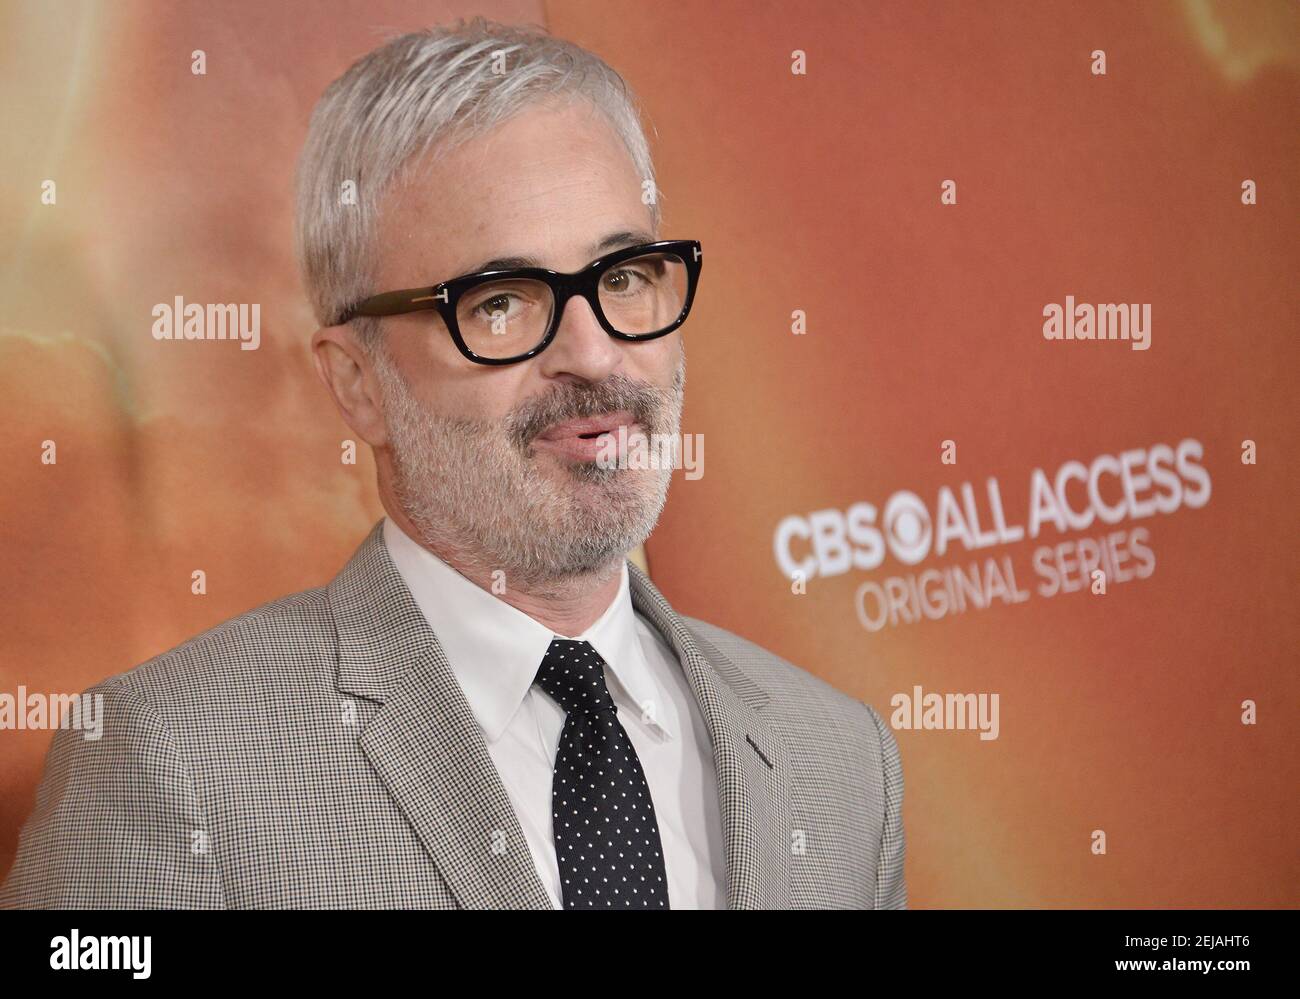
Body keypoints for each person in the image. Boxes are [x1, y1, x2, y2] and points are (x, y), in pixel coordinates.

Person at [1, 17, 904, 910]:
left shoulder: (840, 758)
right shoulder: (172, 763)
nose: (595, 357)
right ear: (356, 384)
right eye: (502, 301)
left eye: (624, 276)